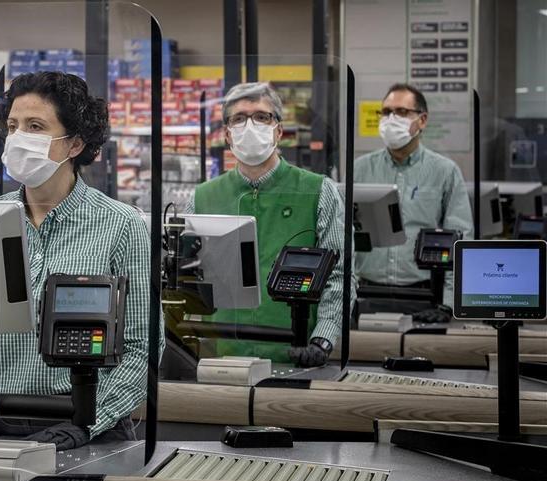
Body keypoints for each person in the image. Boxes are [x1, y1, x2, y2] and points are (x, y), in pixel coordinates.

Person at [0, 71, 162, 450]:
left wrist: (87, 423)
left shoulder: (120, 225)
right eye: (13, 126)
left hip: (87, 428)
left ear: (75, 143)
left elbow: (142, 347)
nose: (18, 138)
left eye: (35, 126)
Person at [188, 82, 350, 368]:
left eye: (262, 117)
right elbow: (186, 280)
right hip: (221, 357)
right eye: (239, 118)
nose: (250, 126)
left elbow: (340, 275)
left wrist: (322, 340)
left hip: (295, 353)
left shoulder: (318, 191)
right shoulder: (202, 197)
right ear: (227, 134)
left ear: (279, 131)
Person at [355, 83, 473, 321]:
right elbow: (342, 236)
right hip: (366, 293)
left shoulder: (444, 171)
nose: (391, 119)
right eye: (386, 112)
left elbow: (460, 241)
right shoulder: (360, 169)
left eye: (401, 112)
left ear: (422, 120)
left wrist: (447, 304)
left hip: (423, 296)